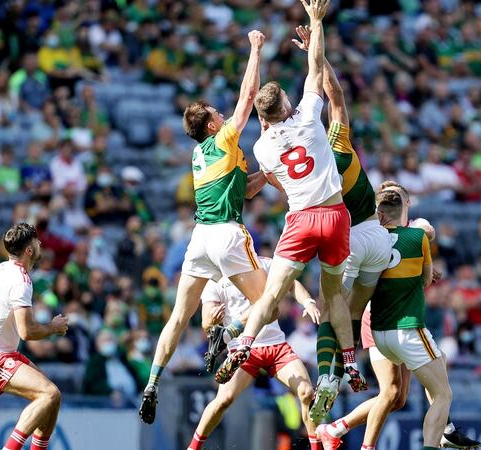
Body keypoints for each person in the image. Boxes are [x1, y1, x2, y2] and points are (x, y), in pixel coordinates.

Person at [216, 0, 367, 422]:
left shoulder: (263, 146)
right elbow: (316, 73)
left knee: (272, 293)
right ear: (286, 105)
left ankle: (243, 345)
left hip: (300, 220)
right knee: (333, 294)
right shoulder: (308, 117)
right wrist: (316, 23)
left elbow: (273, 178)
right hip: (335, 217)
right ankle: (350, 363)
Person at [138, 30, 269, 424]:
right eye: (217, 113)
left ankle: (152, 384)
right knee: (269, 302)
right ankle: (229, 331)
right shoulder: (226, 139)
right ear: (212, 126)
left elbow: (242, 190)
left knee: (178, 317)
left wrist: (266, 174)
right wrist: (255, 49)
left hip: (199, 239)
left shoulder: (199, 154)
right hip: (228, 234)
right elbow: (248, 98)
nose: (223, 114)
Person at [316, 182, 480, 450]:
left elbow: (422, 234)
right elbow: (423, 241)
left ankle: (336, 428)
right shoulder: (406, 233)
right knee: (399, 388)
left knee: (398, 395)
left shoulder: (387, 232)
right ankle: (439, 431)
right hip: (380, 315)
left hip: (380, 318)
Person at [289, 24, 392, 421]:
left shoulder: (310, 168)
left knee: (331, 308)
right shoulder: (339, 139)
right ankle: (352, 366)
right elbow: (334, 93)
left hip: (347, 241)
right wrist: (317, 54)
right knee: (351, 313)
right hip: (377, 239)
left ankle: (329, 376)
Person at [353, 190, 453, 450]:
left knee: (393, 394)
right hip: (407, 328)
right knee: (443, 394)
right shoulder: (417, 237)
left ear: (380, 213)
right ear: (402, 209)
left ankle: (361, 442)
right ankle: (437, 442)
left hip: (378, 334)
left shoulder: (368, 240)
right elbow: (425, 280)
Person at [188, 257, 321, 450]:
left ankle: (315, 447)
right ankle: (193, 447)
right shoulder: (215, 278)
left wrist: (308, 302)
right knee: (223, 400)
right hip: (242, 351)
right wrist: (211, 320)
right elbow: (207, 325)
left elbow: (292, 283)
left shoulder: (262, 264)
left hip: (276, 345)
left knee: (307, 393)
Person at [0, 223, 69, 450]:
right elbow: (27, 332)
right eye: (37, 241)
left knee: (53, 397)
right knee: (48, 395)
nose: (40, 243)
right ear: (29, 251)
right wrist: (53, 327)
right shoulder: (21, 281)